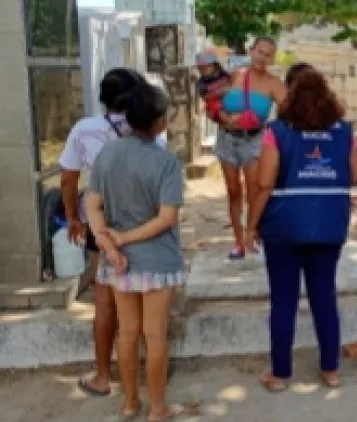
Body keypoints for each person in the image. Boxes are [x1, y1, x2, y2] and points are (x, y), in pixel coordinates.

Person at [244, 63, 357, 392]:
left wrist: (250, 225)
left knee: (284, 299)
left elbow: (265, 181)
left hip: (284, 227)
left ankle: (280, 375)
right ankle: (331, 371)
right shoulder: (344, 130)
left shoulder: (277, 131)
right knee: (324, 296)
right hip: (330, 224)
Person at [59, 68, 168, 397]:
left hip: (101, 220)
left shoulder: (84, 129)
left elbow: (68, 177)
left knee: (105, 297)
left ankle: (104, 376)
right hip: (145, 220)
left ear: (102, 97)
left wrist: (72, 218)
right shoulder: (150, 127)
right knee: (150, 294)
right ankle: (153, 374)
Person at [85, 81, 185, 421]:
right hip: (157, 260)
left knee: (126, 332)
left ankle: (129, 404)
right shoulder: (166, 162)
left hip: (119, 264)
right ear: (158, 122)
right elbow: (167, 217)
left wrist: (108, 243)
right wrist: (123, 239)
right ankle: (158, 409)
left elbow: (92, 204)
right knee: (154, 334)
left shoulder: (107, 154)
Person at [216, 37, 287, 260]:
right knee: (233, 192)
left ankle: (252, 234)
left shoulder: (273, 83)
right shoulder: (234, 75)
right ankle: (238, 242)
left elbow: (291, 110)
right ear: (251, 50)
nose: (262, 58)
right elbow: (213, 104)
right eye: (259, 52)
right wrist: (225, 118)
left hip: (255, 140)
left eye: (268, 55)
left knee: (255, 191)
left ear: (272, 58)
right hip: (227, 138)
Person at [196, 51, 231, 123]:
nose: (204, 70)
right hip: (214, 103)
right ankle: (229, 121)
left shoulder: (224, 74)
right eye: (201, 68)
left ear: (215, 65)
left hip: (229, 99)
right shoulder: (202, 82)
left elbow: (232, 84)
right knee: (214, 106)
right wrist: (217, 93)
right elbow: (204, 97)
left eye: (207, 66)